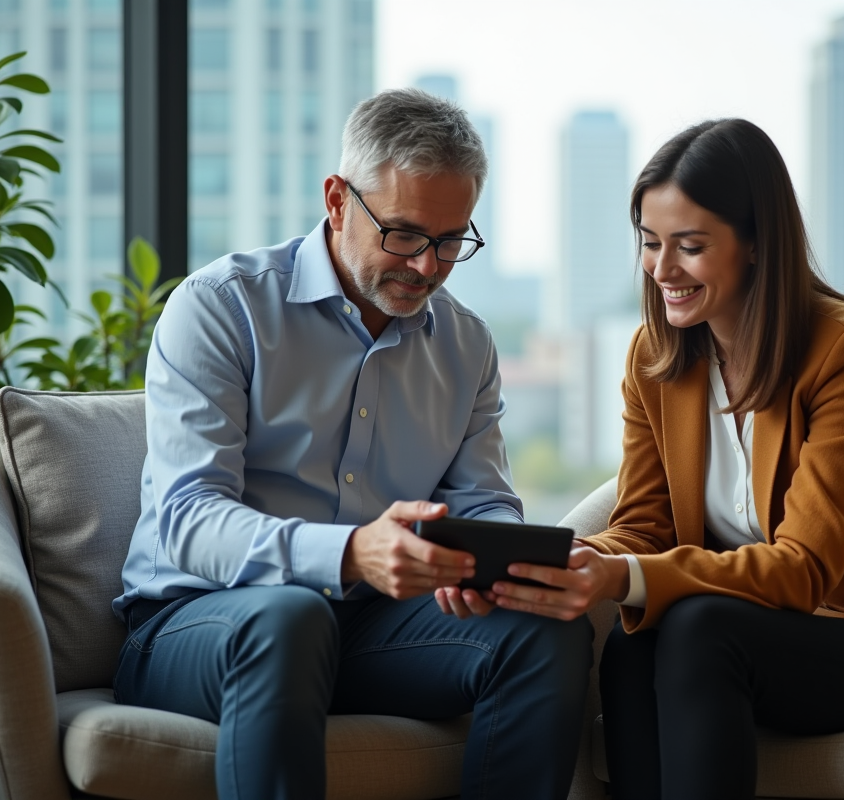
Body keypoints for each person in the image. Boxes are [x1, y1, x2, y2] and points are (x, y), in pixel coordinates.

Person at [489, 119, 844, 800]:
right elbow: (643, 529)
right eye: (650, 244)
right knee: (632, 646)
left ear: (758, 242)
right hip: (748, 632)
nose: (662, 269)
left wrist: (626, 575)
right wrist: (575, 560)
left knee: (699, 630)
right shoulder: (654, 360)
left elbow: (804, 569)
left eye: (691, 246)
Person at [111, 88, 593, 800]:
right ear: (337, 201)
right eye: (404, 234)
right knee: (291, 616)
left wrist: (495, 566)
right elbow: (187, 521)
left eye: (451, 241)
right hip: (199, 627)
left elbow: (485, 500)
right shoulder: (222, 307)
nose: (428, 267)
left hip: (369, 633)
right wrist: (348, 553)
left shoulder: (466, 344)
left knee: (544, 634)